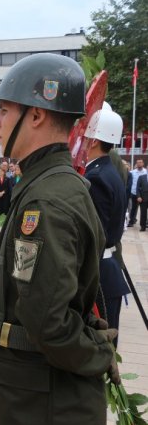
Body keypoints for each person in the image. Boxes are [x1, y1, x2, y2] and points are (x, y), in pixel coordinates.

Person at [0, 53, 118, 425]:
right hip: (39, 416)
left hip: (41, 423)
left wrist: (99, 355)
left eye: (4, 110)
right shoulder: (50, 184)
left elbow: (49, 321)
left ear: (37, 115)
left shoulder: (46, 201)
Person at [84, 102, 130, 347]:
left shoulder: (96, 178)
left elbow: (95, 234)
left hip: (99, 274)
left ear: (93, 140)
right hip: (108, 269)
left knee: (100, 351)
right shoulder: (109, 171)